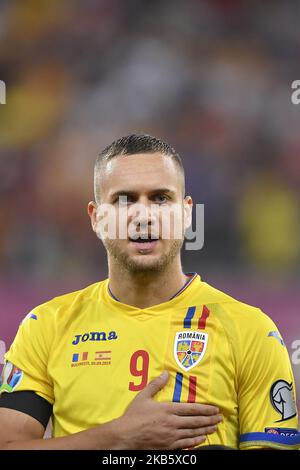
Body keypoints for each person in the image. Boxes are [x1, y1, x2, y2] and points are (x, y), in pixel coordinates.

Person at [0, 134, 299, 450]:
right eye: (124, 200)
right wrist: (117, 438)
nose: (143, 216)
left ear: (186, 214)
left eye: (160, 198)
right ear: (97, 218)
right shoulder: (46, 325)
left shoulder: (250, 329)